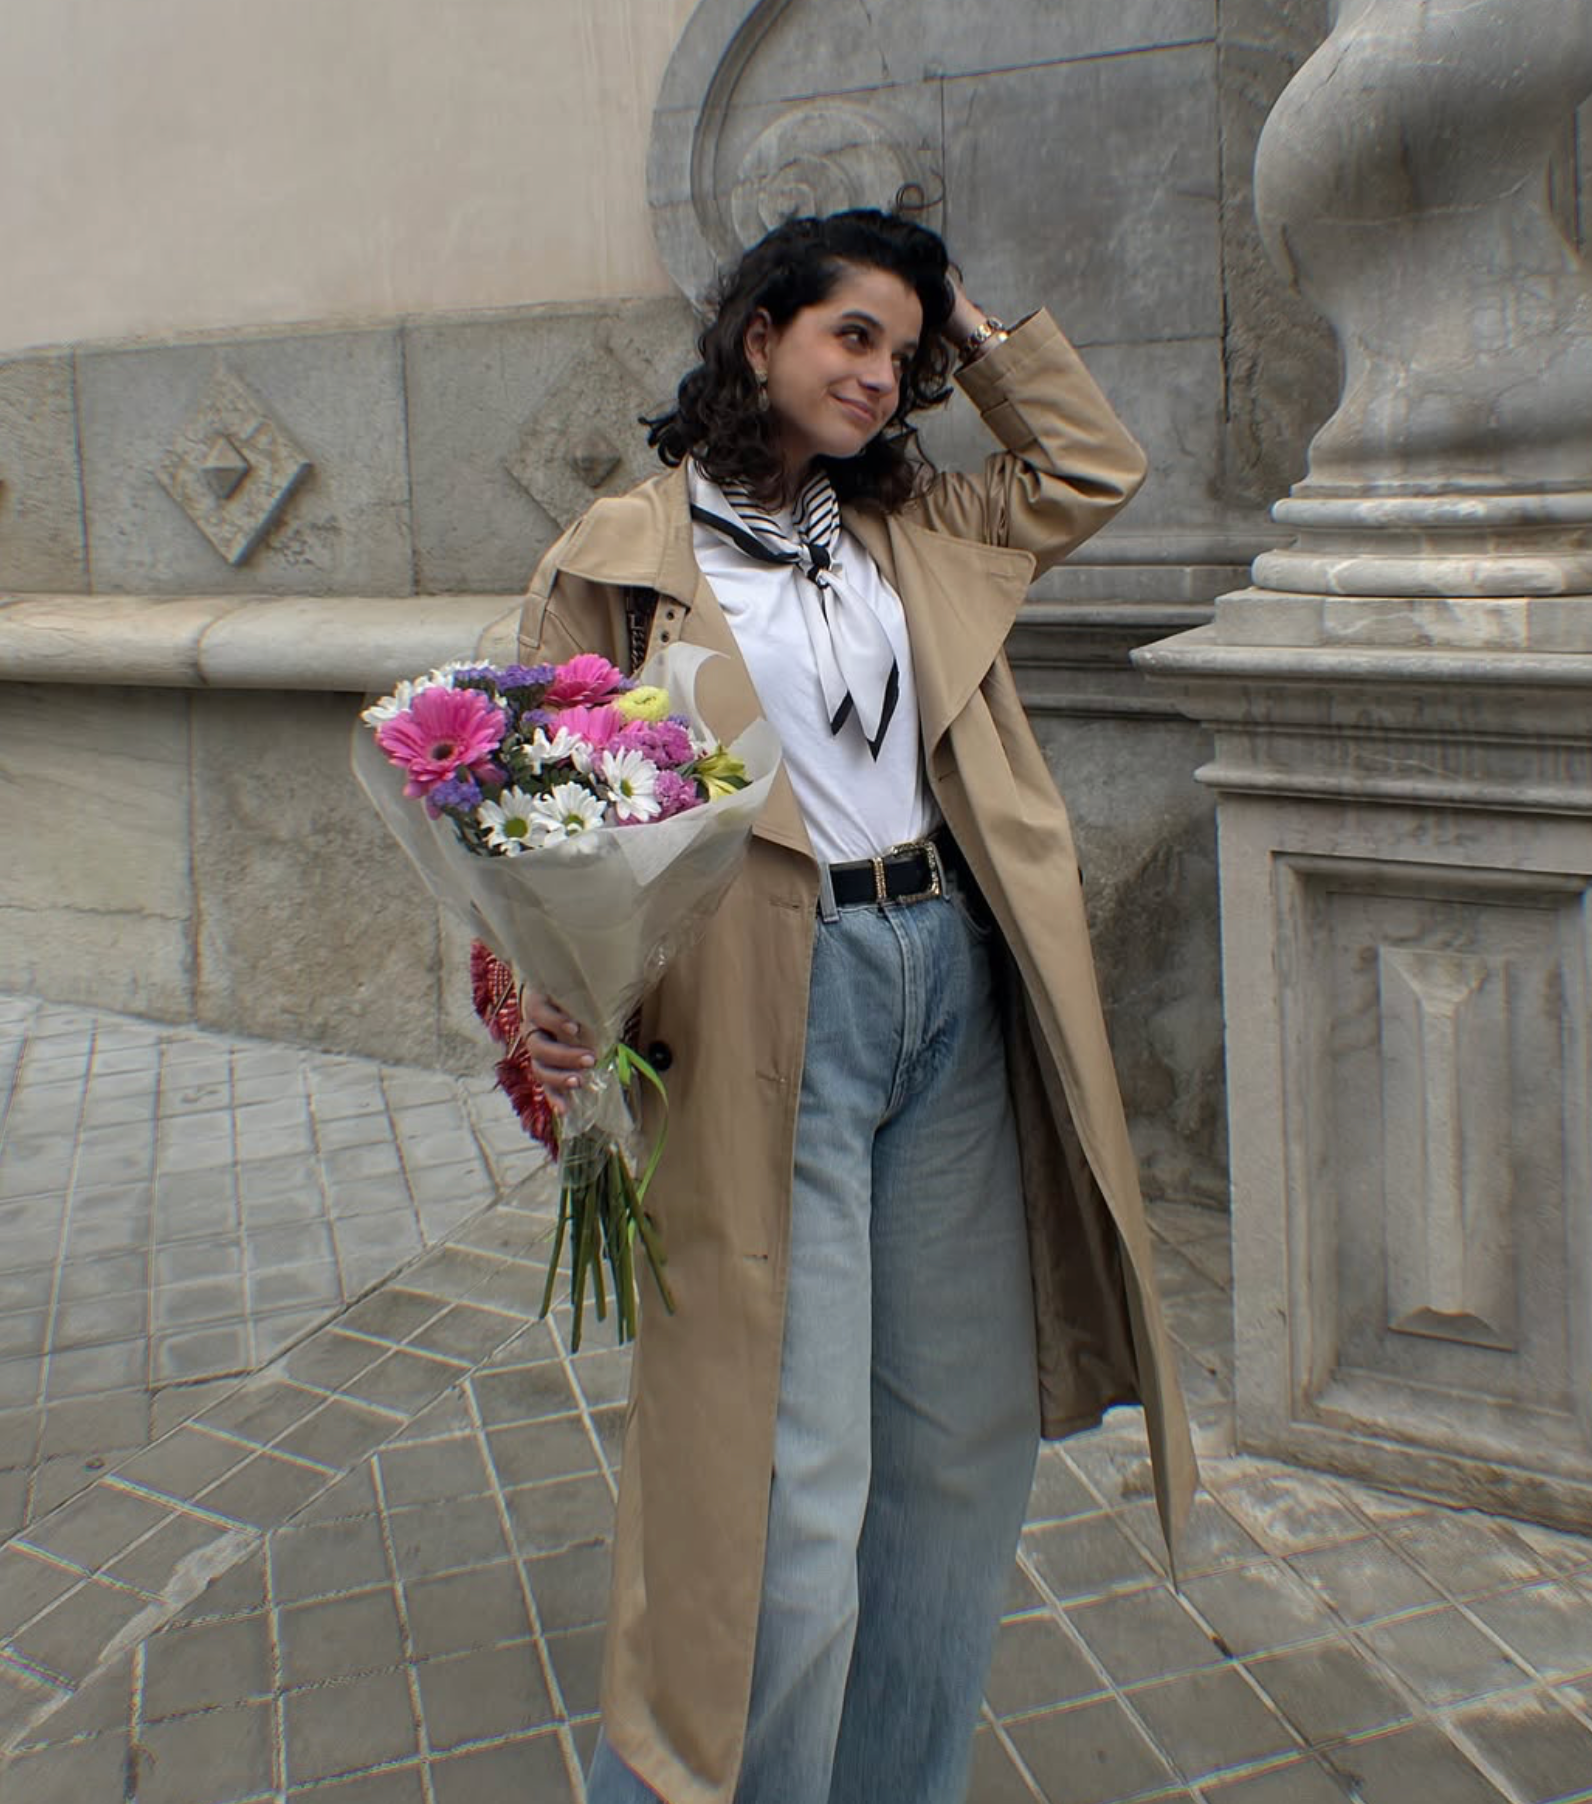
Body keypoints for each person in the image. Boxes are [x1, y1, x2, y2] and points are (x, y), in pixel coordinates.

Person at [515, 207, 1196, 1804]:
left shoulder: (914, 528)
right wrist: (550, 995)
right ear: (761, 336)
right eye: (853, 335)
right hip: (770, 1007)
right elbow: (536, 812)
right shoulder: (622, 557)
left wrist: (975, 329)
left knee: (958, 1456)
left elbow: (1091, 467)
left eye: (905, 350)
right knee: (789, 1497)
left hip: (950, 979)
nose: (884, 374)